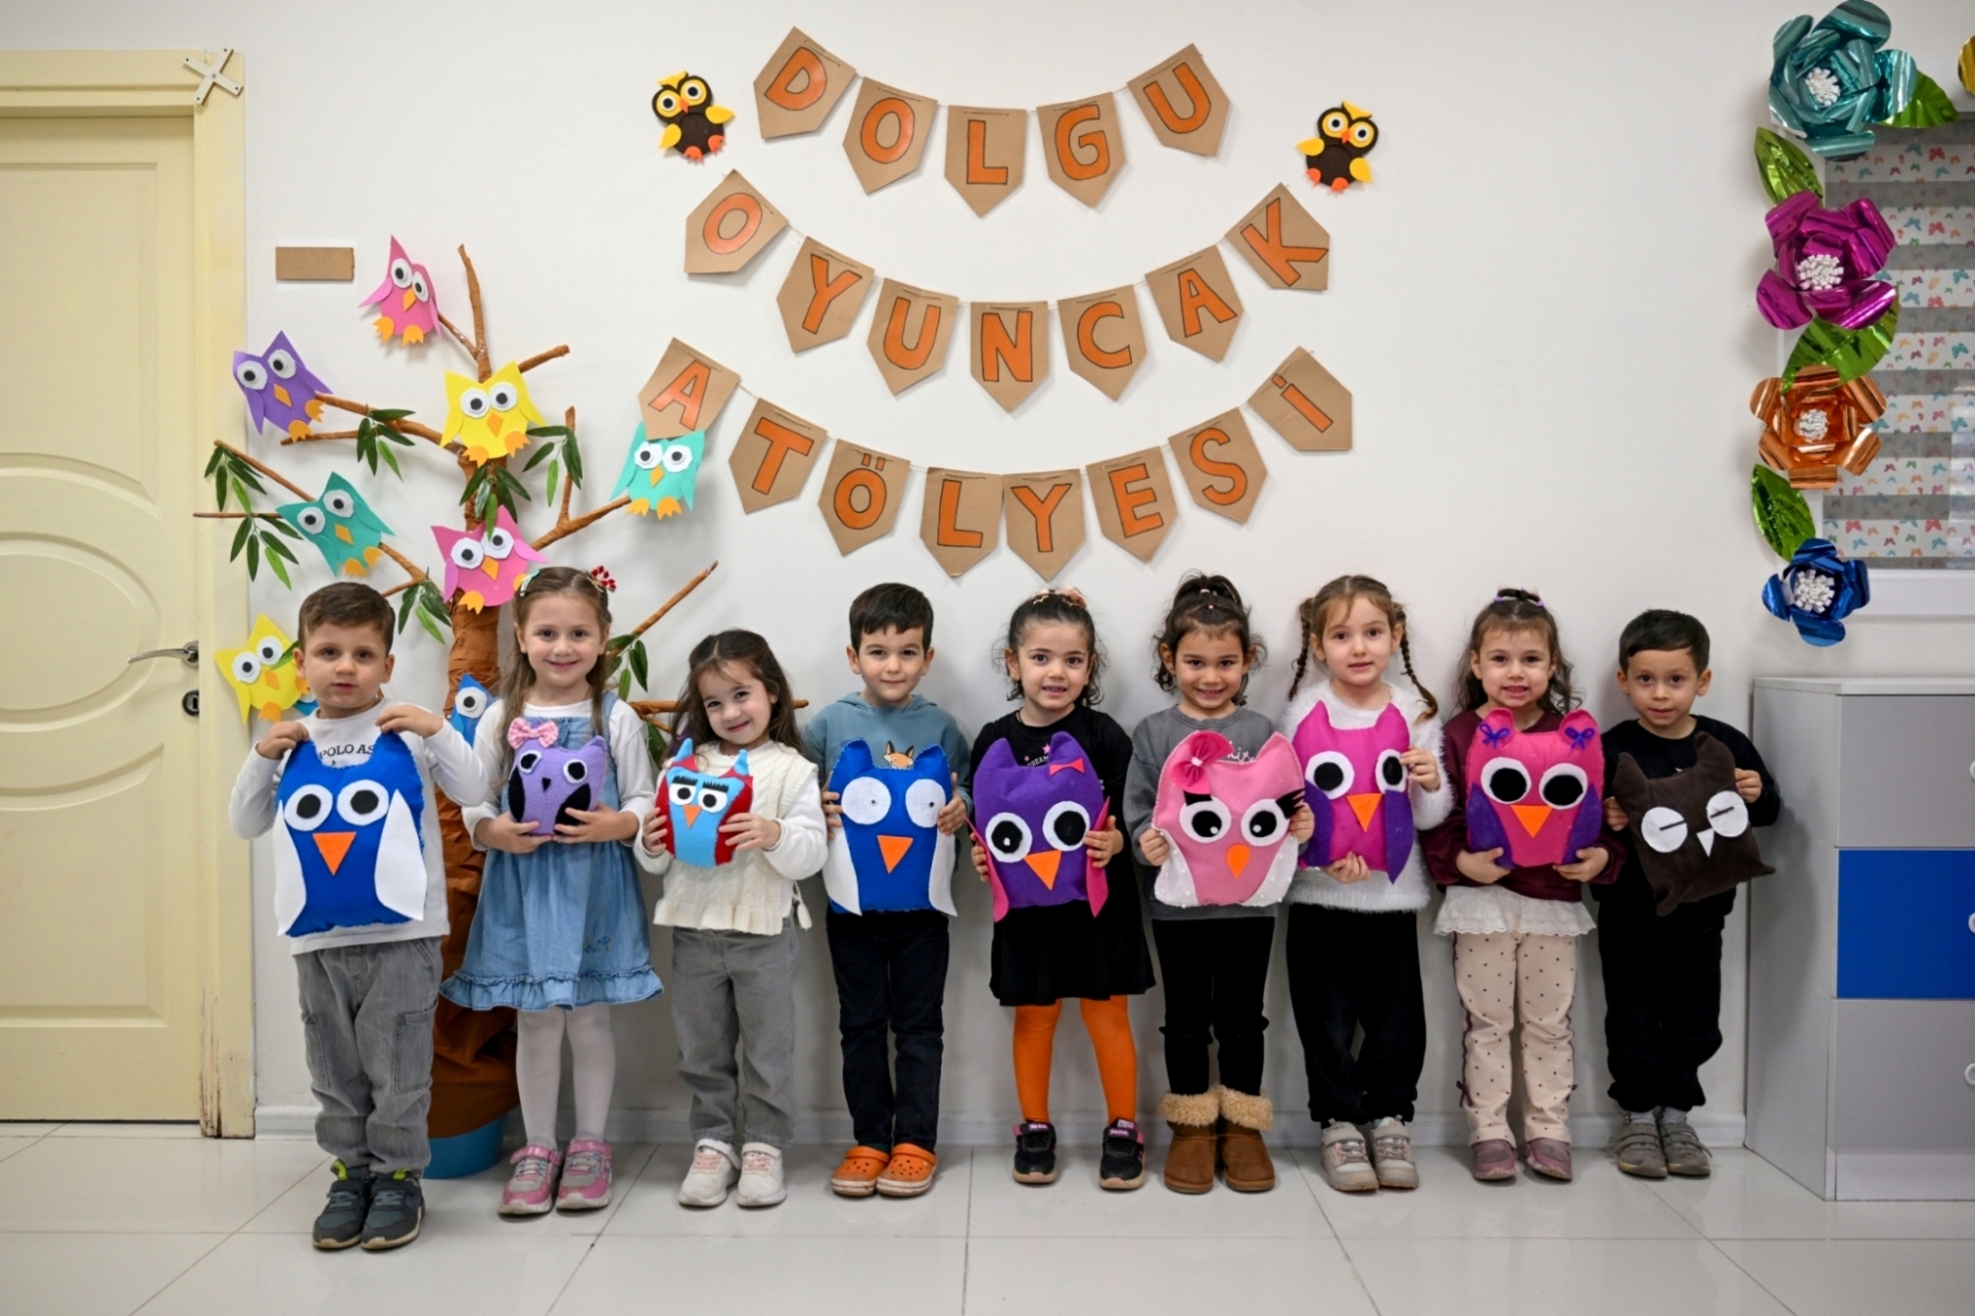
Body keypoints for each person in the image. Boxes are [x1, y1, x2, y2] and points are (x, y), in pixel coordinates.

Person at [229, 581, 489, 1251]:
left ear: (387, 667)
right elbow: (246, 822)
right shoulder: (290, 739)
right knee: (333, 1066)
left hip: (404, 936)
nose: (345, 667)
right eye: (328, 651)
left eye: (363, 654)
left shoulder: (405, 728)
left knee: (398, 1063)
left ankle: (399, 1176)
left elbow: (474, 789)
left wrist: (440, 731)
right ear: (301, 662)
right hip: (317, 940)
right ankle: (351, 1174)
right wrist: (260, 759)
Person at [443, 568, 662, 1217]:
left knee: (589, 1017)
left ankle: (591, 1145)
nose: (561, 647)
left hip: (594, 888)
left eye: (577, 633)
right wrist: (491, 831)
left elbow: (647, 799)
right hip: (523, 890)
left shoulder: (613, 716)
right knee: (536, 1020)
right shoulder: (501, 718)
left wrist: (620, 822)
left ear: (602, 640)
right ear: (520, 636)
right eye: (546, 632)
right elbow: (471, 798)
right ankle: (538, 1148)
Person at [1423, 589, 1622, 1183]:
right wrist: (1461, 861)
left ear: (1553, 665)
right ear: (1477, 665)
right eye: (1502, 659)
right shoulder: (1458, 734)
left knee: (1548, 1023)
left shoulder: (1577, 735)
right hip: (1482, 903)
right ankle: (1488, 1128)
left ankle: (1549, 1127)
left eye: (1531, 659)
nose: (1517, 673)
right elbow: (1437, 816)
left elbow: (1595, 817)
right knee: (1486, 1023)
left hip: (1554, 906)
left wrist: (1598, 861)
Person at [1125, 574, 1314, 1194]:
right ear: (1169, 659)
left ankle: (1242, 1125)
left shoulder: (1261, 733)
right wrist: (1144, 842)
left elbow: (1285, 807)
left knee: (1242, 1019)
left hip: (1249, 910)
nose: (1211, 677)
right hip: (1178, 911)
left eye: (1226, 663)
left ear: (1248, 661)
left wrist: (1300, 823)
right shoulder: (1154, 733)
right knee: (1183, 1019)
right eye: (1196, 663)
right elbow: (1138, 812)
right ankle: (1191, 1125)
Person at [967, 588, 1155, 1190]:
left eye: (1073, 660)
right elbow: (988, 823)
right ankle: (1034, 1126)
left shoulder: (1105, 736)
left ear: (1090, 668)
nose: (1057, 672)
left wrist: (1118, 841)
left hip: (1099, 908)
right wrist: (982, 857)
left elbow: (1132, 811)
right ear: (1012, 662)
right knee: (1035, 1016)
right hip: (1027, 915)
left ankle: (1124, 1125)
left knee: (1108, 1017)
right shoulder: (993, 739)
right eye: (1042, 657)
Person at [640, 630, 827, 1208]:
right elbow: (656, 860)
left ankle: (765, 1144)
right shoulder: (682, 766)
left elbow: (811, 854)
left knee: (768, 1048)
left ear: (771, 692)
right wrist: (649, 842)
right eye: (715, 703)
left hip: (764, 929)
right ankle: (714, 1141)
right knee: (701, 1047)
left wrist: (773, 834)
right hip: (694, 927)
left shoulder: (793, 771)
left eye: (741, 694)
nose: (730, 712)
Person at [801, 583, 972, 1200]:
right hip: (850, 909)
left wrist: (962, 808)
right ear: (854, 657)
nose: (892, 665)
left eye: (907, 652)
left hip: (925, 910)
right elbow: (800, 795)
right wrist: (810, 807)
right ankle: (870, 1138)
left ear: (927, 658)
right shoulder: (827, 724)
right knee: (861, 1026)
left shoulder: (943, 727)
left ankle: (915, 1142)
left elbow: (970, 794)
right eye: (878, 651)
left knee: (921, 1026)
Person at [1280, 576, 1450, 1193]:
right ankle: (1337, 1121)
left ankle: (1390, 1116)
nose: (1359, 647)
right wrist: (1315, 856)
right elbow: (1288, 811)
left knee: (1397, 1018)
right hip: (1321, 897)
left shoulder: (1414, 713)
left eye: (1373, 632)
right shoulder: (1303, 713)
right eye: (1343, 635)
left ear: (1395, 636)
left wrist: (1430, 782)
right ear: (1319, 645)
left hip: (1393, 897)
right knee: (1324, 1017)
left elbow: (1428, 820)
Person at [1598, 609, 1780, 1179]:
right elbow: (1584, 830)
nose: (1659, 693)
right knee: (1633, 1018)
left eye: (1675, 679)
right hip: (1631, 916)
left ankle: (1676, 1118)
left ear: (1702, 680)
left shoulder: (1723, 743)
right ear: (1624, 680)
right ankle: (1635, 1120)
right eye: (1645, 679)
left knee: (1697, 1021)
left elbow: (1770, 810)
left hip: (1704, 917)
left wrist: (1754, 792)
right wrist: (1607, 822)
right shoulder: (1612, 748)